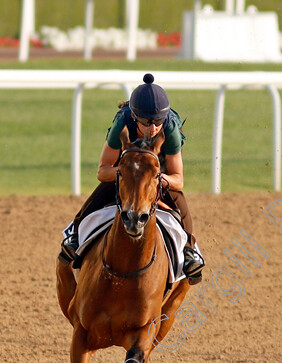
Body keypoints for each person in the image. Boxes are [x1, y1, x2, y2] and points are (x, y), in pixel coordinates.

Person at [59, 73, 205, 283]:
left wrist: (156, 178)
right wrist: (127, 174)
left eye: (157, 122)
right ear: (135, 116)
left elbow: (178, 179)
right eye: (147, 122)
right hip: (125, 169)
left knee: (179, 199)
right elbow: (103, 171)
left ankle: (190, 251)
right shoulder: (123, 122)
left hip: (155, 172)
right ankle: (75, 234)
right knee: (102, 191)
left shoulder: (170, 127)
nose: (153, 128)